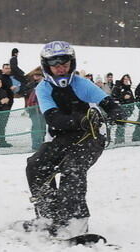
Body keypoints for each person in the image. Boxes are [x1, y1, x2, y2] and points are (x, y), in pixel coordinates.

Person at [25, 41, 123, 238]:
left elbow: (108, 102)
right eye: (56, 64)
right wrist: (80, 119)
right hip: (62, 137)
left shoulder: (81, 84)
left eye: (65, 63)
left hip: (91, 138)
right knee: (36, 165)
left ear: (72, 63)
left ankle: (75, 221)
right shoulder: (43, 88)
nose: (61, 68)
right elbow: (53, 118)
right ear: (47, 66)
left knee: (73, 168)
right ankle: (49, 216)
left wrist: (116, 112)